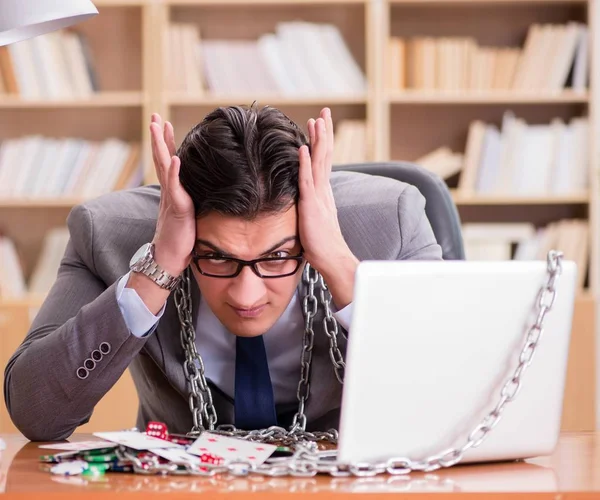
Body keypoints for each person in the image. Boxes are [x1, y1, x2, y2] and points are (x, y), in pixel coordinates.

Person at [3, 104, 443, 441]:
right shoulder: (107, 234)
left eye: (277, 257)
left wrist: (339, 264)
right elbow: (37, 414)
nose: (247, 295)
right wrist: (158, 268)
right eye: (217, 257)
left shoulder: (393, 221)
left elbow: (453, 397)